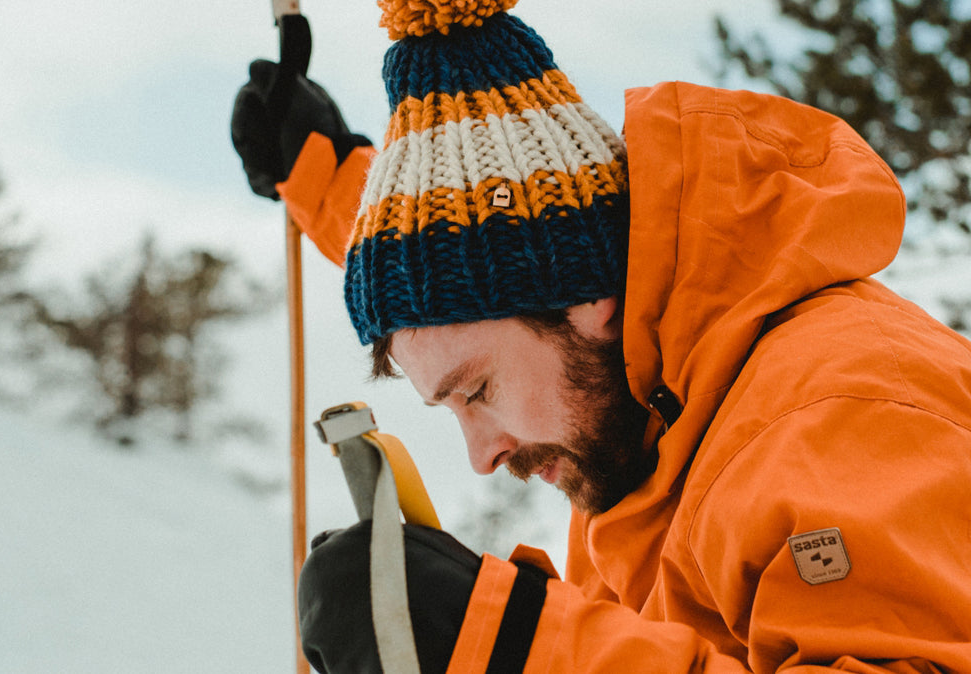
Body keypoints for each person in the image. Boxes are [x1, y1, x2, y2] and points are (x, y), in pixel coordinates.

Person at [231, 1, 971, 671]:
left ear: (589, 296)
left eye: (478, 392)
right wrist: (323, 181)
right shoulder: (646, 394)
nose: (482, 455)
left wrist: (517, 647)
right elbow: (468, 266)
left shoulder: (840, 420)